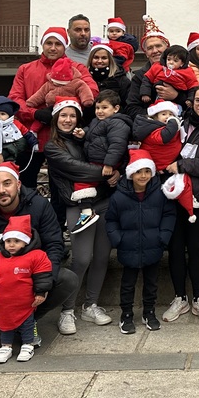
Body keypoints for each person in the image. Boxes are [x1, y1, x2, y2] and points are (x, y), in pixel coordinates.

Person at [0, 162, 78, 358]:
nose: (2, 190)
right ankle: (5, 323)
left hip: (30, 285)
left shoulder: (39, 207)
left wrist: (44, 284)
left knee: (67, 279)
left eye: (7, 184)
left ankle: (25, 321)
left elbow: (55, 247)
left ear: (18, 184)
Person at [43, 97, 116, 332]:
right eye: (63, 115)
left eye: (72, 115)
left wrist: (113, 171)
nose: (68, 119)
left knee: (102, 257)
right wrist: (108, 173)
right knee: (82, 258)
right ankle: (67, 310)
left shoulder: (86, 138)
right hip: (77, 206)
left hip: (102, 201)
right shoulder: (53, 146)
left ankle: (91, 305)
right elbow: (78, 171)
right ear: (56, 119)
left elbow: (104, 154)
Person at [9, 26, 99, 202]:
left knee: (61, 187)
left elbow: (92, 92)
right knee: (26, 184)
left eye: (58, 44)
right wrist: (34, 114)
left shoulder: (77, 68)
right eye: (48, 43)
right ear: (42, 45)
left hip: (63, 138)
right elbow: (15, 99)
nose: (52, 47)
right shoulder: (25, 69)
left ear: (64, 46)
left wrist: (65, 108)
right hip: (31, 137)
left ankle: (58, 224)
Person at [161, 84, 199, 324]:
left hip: (197, 196)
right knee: (175, 248)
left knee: (195, 247)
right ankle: (179, 297)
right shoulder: (178, 123)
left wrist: (183, 165)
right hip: (172, 194)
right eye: (198, 100)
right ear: (191, 102)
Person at [105, 151, 177, 333]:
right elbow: (111, 220)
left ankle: (149, 312)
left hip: (153, 245)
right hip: (128, 247)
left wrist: (163, 237)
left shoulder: (159, 194)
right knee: (128, 284)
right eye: (139, 172)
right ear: (131, 174)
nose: (143, 175)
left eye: (147, 171)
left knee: (151, 283)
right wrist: (117, 239)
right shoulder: (119, 197)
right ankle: (126, 314)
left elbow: (169, 214)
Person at [0, 214, 52, 364]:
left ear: (25, 242)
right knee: (5, 326)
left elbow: (42, 276)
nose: (11, 245)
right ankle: (6, 346)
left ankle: (27, 344)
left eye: (17, 241)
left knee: (27, 324)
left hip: (25, 303)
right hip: (2, 305)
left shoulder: (36, 256)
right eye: (8, 241)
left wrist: (40, 292)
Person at [72, 89, 131, 234]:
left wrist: (109, 164)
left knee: (83, 183)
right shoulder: (97, 121)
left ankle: (86, 212)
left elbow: (117, 145)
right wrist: (83, 133)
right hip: (98, 162)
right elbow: (92, 132)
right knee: (91, 185)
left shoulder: (117, 123)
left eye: (104, 108)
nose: (99, 111)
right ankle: (88, 210)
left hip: (105, 163)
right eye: (97, 108)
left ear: (116, 108)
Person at [25, 57, 97, 130]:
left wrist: (87, 100)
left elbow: (84, 90)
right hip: (52, 107)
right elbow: (40, 94)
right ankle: (33, 131)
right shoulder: (49, 84)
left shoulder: (77, 83)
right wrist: (31, 102)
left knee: (73, 121)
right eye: (55, 82)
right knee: (41, 119)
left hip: (71, 106)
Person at [125, 15, 174, 118]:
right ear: (146, 53)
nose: (155, 51)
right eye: (150, 48)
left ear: (167, 48)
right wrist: (154, 116)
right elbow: (132, 108)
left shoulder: (182, 70)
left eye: (158, 46)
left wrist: (176, 96)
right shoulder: (139, 77)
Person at [132, 99, 183, 172]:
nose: (168, 117)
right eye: (163, 114)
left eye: (171, 114)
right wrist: (173, 121)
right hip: (154, 166)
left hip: (168, 165)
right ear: (156, 117)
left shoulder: (174, 128)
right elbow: (164, 137)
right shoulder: (153, 130)